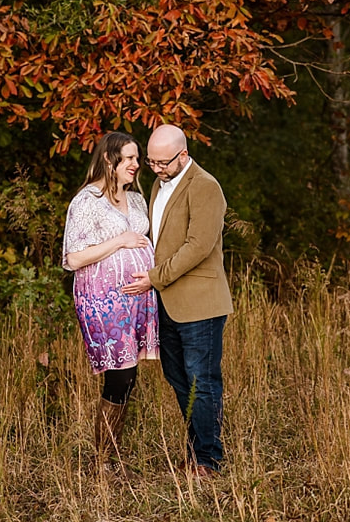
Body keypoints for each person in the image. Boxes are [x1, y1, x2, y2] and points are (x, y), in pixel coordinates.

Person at [122, 124, 233, 478]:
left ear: (183, 155)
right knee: (177, 377)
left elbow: (197, 247)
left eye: (161, 163)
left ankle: (208, 460)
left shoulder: (206, 187)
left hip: (200, 302)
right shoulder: (158, 184)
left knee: (202, 381)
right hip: (166, 303)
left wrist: (153, 278)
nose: (154, 169)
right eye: (150, 162)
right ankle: (199, 447)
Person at [62, 131, 160, 469]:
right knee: (119, 374)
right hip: (101, 300)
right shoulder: (87, 201)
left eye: (136, 158)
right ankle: (103, 458)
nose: (136, 164)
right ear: (109, 159)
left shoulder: (134, 199)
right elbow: (73, 259)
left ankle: (111, 452)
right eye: (130, 158)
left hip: (136, 301)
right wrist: (119, 240)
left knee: (129, 376)